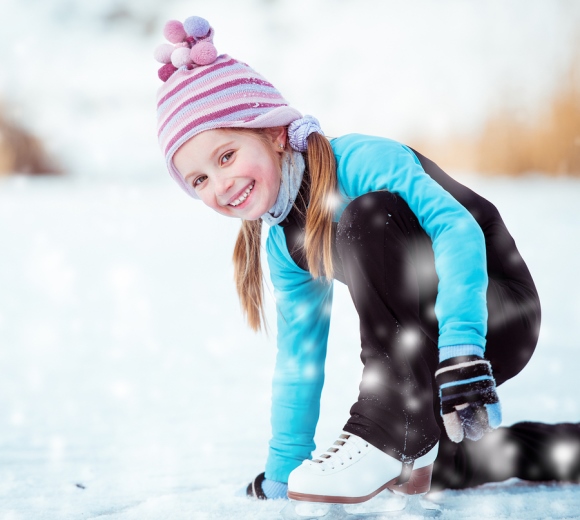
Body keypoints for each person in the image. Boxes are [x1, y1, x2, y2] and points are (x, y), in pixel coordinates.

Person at [154, 16, 579, 506]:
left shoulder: (358, 161)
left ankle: (391, 420)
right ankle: (453, 444)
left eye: (225, 156)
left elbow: (457, 228)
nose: (220, 184)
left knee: (369, 215)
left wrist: (462, 349)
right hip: (427, 353)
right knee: (453, 463)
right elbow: (299, 362)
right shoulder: (281, 245)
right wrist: (285, 469)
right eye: (199, 181)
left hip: (492, 312)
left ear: (272, 132)